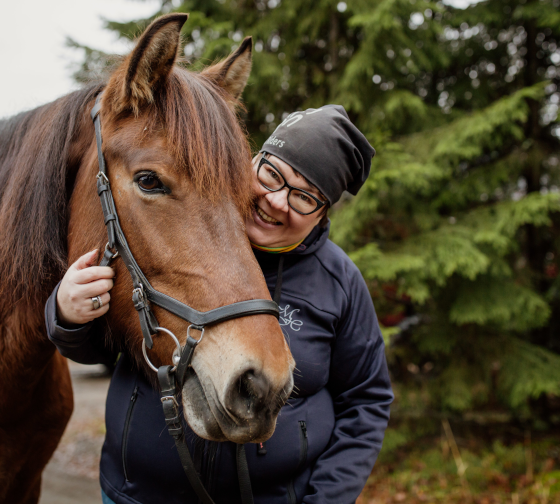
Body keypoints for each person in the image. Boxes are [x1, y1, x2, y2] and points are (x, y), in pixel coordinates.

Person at [46, 104, 393, 504]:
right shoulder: (183, 226)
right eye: (273, 174)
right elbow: (104, 348)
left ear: (322, 213)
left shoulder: (339, 281)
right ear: (252, 161)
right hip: (139, 494)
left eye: (304, 196)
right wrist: (67, 315)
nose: (278, 200)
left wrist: (327, 499)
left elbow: (366, 402)